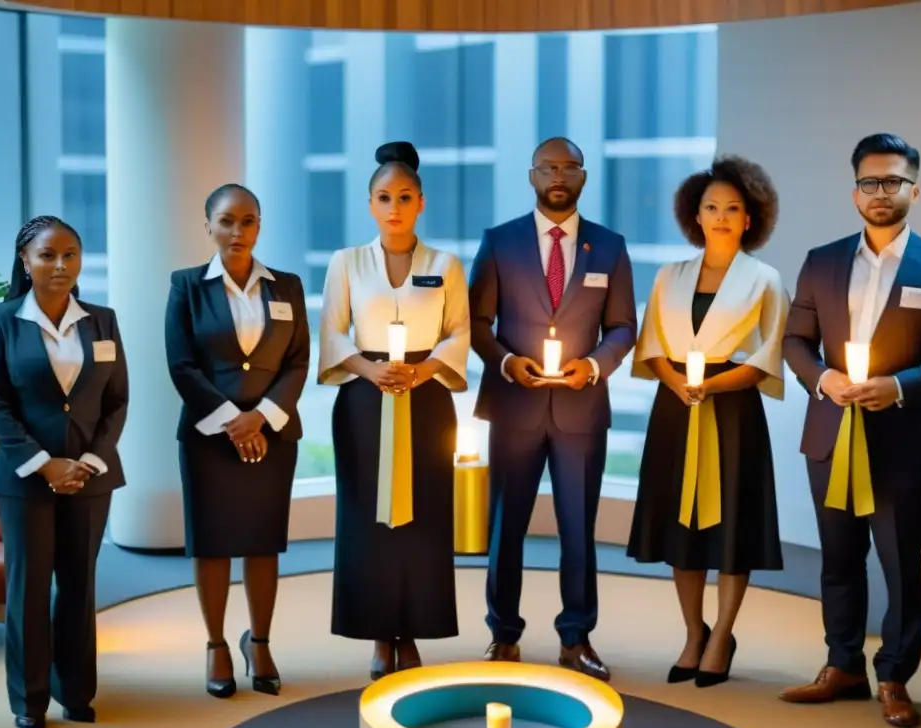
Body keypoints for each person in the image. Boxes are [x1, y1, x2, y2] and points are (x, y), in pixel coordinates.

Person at [780, 134, 921, 728]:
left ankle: (894, 675)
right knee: (838, 559)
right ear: (855, 191)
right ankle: (841, 666)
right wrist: (823, 379)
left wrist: (900, 386)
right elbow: (795, 342)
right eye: (870, 182)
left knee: (899, 564)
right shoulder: (822, 259)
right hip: (832, 433)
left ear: (914, 188)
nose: (880, 192)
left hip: (900, 440)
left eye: (892, 181)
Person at [469, 137, 636, 681]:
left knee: (577, 527)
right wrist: (505, 363)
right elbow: (476, 323)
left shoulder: (609, 247)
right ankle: (503, 634)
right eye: (548, 167)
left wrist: (593, 366)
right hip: (515, 403)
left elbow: (622, 327)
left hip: (580, 408)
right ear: (532, 176)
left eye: (569, 167)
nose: (558, 175)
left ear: (584, 178)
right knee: (505, 526)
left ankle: (577, 638)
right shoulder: (499, 242)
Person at [628, 156, 788, 688]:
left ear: (751, 218)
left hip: (732, 410)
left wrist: (712, 385)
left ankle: (722, 635)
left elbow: (767, 356)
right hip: (676, 407)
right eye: (711, 207)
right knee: (682, 526)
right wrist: (678, 384)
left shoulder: (765, 280)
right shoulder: (668, 276)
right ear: (694, 215)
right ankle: (693, 632)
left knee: (731, 527)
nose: (720, 217)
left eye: (732, 209)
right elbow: (650, 344)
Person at [318, 141, 470, 679]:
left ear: (422, 202)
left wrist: (424, 371)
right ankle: (380, 633)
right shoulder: (347, 263)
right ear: (370, 204)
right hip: (365, 398)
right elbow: (332, 332)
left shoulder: (445, 264)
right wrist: (368, 370)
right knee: (367, 518)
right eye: (384, 197)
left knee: (424, 518)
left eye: (405, 196)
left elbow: (459, 333)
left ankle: (415, 631)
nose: (395, 207)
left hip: (426, 398)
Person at [0, 215, 128, 728]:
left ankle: (77, 691)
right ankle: (29, 698)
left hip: (91, 479)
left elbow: (116, 402)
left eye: (70, 255)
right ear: (25, 260)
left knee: (80, 588)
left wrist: (90, 461)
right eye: (47, 255)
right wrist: (44, 464)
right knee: (28, 590)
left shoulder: (102, 321)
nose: (60, 265)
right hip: (23, 483)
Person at [165, 183, 310, 699]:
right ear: (208, 227)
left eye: (248, 221)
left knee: (262, 541)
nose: (237, 231)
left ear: (258, 226)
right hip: (209, 437)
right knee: (212, 544)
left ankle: (261, 641)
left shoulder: (286, 286)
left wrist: (262, 419)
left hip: (273, 436)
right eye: (226, 221)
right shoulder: (186, 286)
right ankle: (217, 645)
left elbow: (296, 364)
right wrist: (234, 420)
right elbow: (181, 365)